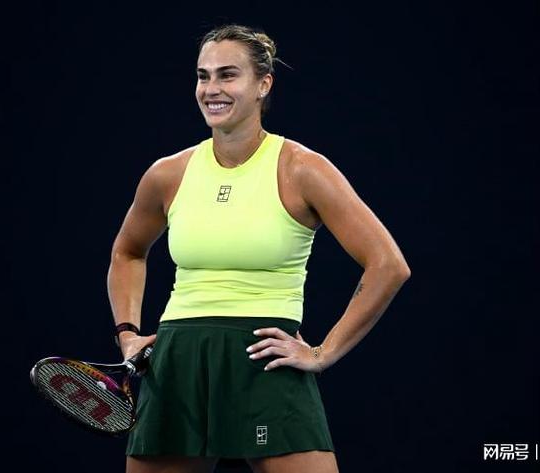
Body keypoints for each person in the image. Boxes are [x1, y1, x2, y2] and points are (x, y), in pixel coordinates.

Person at [107, 24, 411, 473]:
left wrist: (323, 352)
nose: (211, 89)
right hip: (178, 361)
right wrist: (128, 334)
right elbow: (127, 253)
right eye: (203, 76)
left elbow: (388, 265)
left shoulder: (303, 169)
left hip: (263, 360)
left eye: (228, 75)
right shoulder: (167, 174)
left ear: (263, 84)